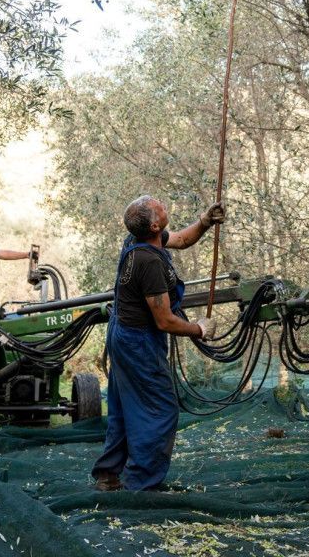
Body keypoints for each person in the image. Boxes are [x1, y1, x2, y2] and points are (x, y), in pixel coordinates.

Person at [91, 195, 225, 492]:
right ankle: (142, 484)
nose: (164, 204)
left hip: (122, 332)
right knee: (161, 409)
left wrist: (204, 221)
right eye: (159, 206)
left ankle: (108, 474)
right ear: (153, 224)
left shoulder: (138, 239)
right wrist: (199, 330)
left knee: (124, 406)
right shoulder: (149, 262)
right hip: (138, 340)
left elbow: (181, 239)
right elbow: (164, 321)